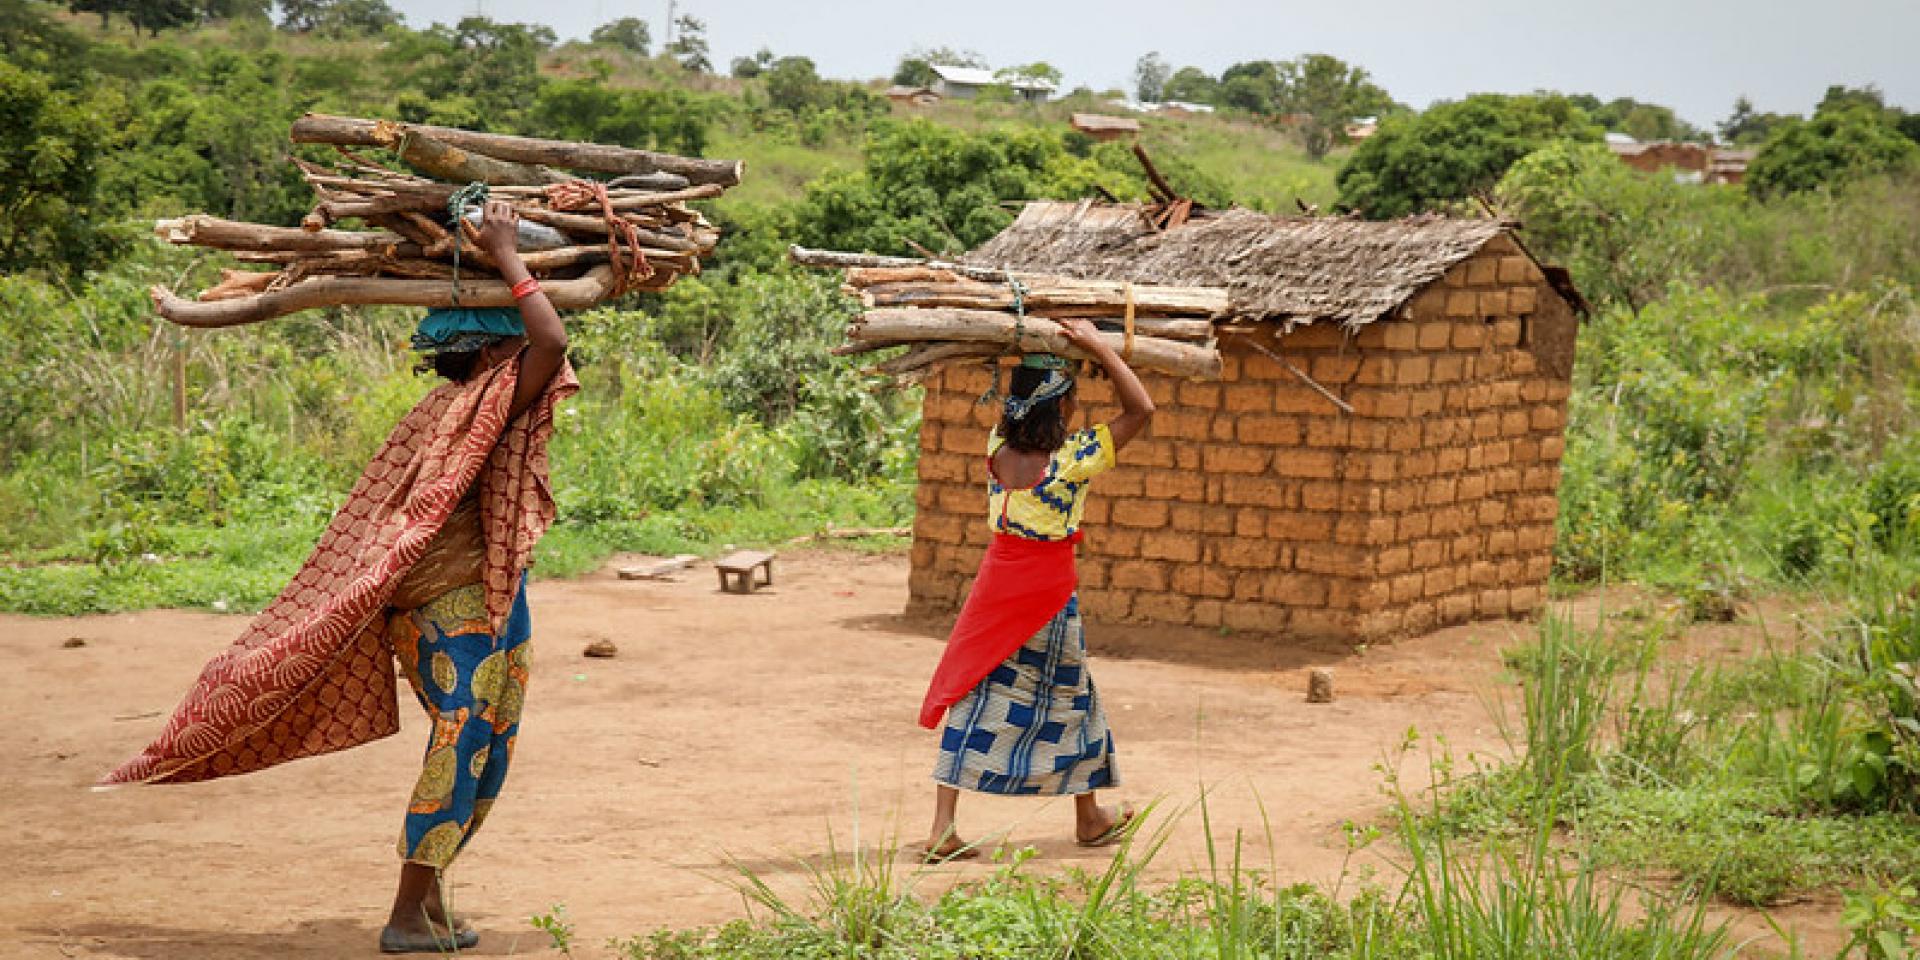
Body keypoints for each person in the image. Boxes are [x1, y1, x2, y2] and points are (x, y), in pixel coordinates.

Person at [100, 199, 575, 954]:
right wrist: (513, 255)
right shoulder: (476, 402)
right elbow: (552, 334)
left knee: (484, 752)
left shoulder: (464, 403)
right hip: (450, 605)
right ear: (494, 351)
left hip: (483, 596)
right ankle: (404, 915)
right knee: (462, 748)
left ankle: (431, 902)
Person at [918, 319, 1156, 862]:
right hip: (1048, 597)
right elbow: (1143, 409)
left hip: (996, 587)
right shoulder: (1072, 461)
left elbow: (1021, 407)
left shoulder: (995, 447)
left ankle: (942, 827)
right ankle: (1089, 818)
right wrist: (1099, 346)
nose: (1076, 408)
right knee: (1072, 703)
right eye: (1071, 399)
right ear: (1060, 409)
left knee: (972, 694)